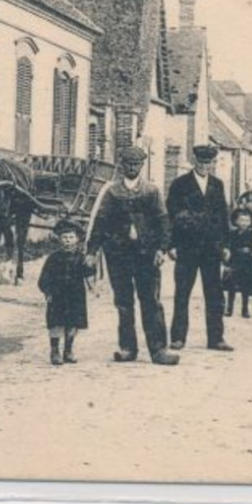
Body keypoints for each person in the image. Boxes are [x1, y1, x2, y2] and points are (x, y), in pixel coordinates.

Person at [84, 145, 177, 366]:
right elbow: (100, 222)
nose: (132, 167)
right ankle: (127, 348)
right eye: (128, 164)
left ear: (142, 166)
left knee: (151, 301)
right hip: (118, 254)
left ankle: (158, 350)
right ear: (122, 165)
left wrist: (162, 249)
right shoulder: (112, 192)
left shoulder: (152, 192)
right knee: (124, 302)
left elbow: (163, 222)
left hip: (146, 255)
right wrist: (91, 251)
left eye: (136, 164)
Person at [166, 143, 232, 352]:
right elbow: (171, 216)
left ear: (213, 163)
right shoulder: (180, 184)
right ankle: (178, 338)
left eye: (209, 162)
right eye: (202, 162)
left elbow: (223, 217)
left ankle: (216, 338)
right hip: (187, 247)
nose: (205, 166)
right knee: (182, 293)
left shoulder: (218, 185)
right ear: (195, 161)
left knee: (214, 294)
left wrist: (226, 245)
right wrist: (171, 245)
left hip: (211, 249)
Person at [37, 217, 93, 365]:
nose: (68, 240)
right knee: (56, 323)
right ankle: (54, 351)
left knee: (73, 324)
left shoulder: (81, 257)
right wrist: (47, 292)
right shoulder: (53, 258)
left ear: (77, 239)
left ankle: (68, 350)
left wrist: (90, 264)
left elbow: (88, 275)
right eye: (64, 237)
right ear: (59, 239)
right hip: (57, 295)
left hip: (76, 295)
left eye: (71, 237)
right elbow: (44, 278)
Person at [222, 207, 252, 319]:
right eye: (242, 220)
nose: (244, 223)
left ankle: (245, 309)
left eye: (247, 221)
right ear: (236, 221)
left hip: (247, 263)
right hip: (235, 261)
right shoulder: (232, 234)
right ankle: (229, 308)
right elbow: (229, 247)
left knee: (245, 287)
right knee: (231, 287)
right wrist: (227, 263)